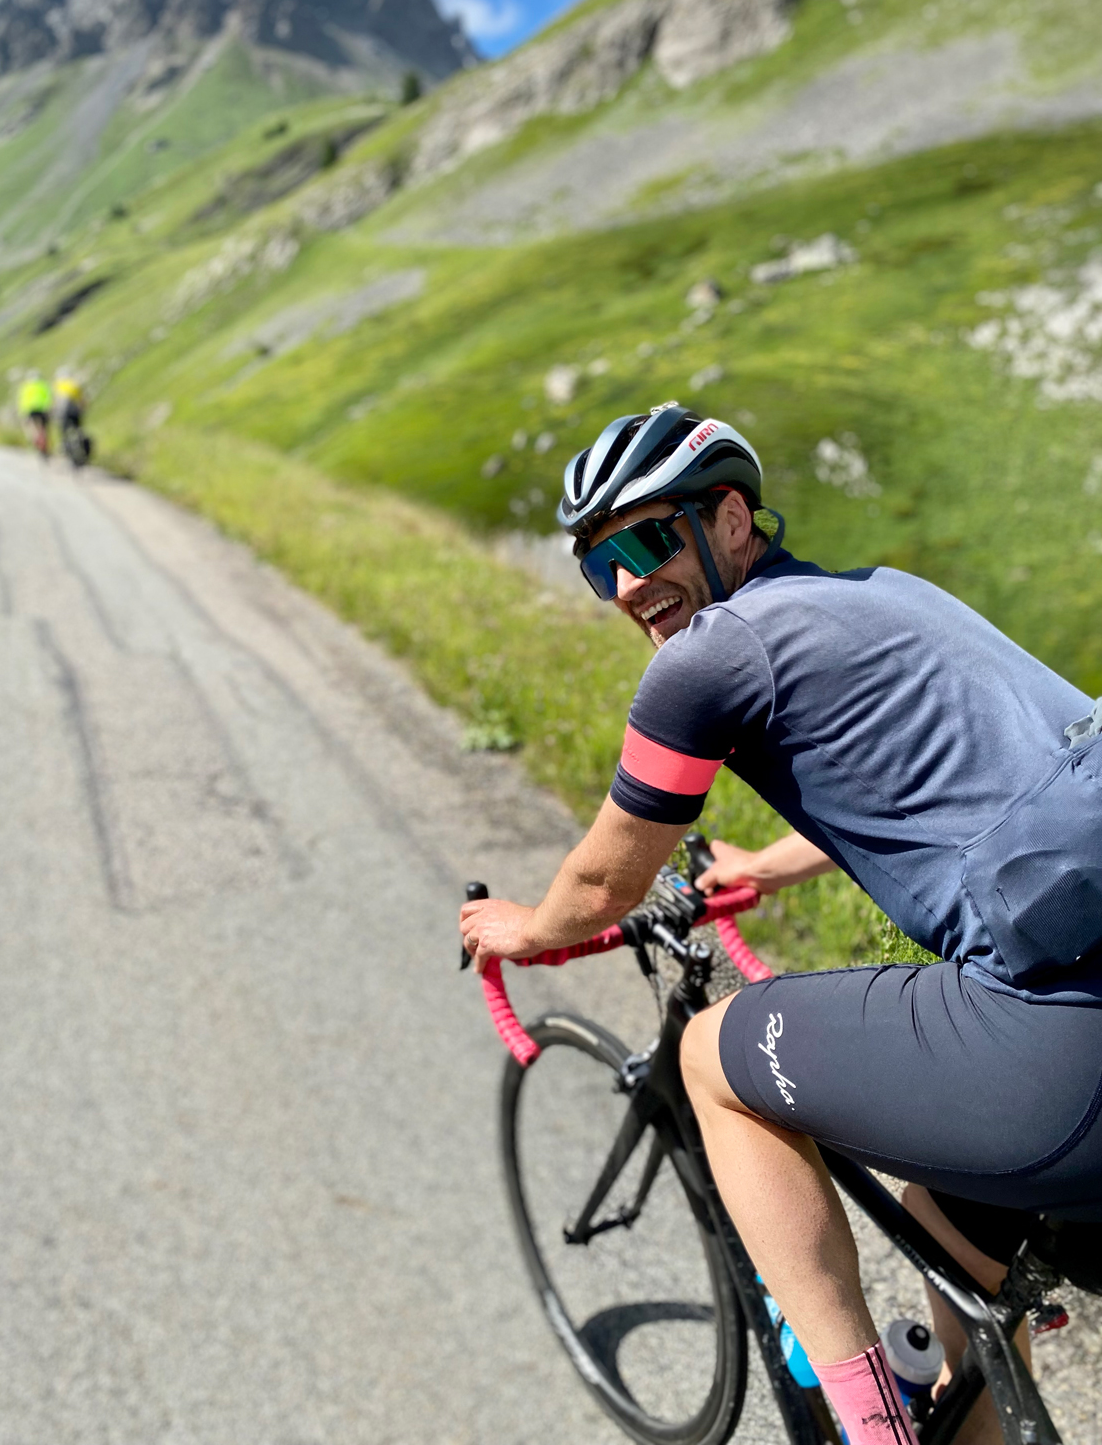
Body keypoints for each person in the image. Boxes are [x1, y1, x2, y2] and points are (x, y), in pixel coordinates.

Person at [460, 403, 1102, 1445]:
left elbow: (605, 881)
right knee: (948, 1232)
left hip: (1059, 1045)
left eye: (642, 540)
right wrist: (764, 863)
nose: (625, 585)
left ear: (726, 517)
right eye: (596, 565)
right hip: (1079, 988)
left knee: (716, 1059)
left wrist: (525, 930)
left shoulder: (710, 655)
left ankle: (867, 1429)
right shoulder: (888, 596)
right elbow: (970, 787)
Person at [52, 372, 90, 463]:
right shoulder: (75, 384)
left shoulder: (58, 384)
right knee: (78, 428)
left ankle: (64, 446)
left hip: (64, 412)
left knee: (63, 430)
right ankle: (80, 442)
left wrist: (54, 412)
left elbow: (56, 401)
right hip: (75, 411)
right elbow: (82, 400)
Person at [16, 372, 52, 457]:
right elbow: (49, 396)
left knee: (33, 428)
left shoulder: (26, 386)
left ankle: (36, 441)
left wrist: (22, 411)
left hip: (30, 410)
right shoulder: (43, 385)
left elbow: (22, 399)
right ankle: (44, 444)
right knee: (43, 428)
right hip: (43, 409)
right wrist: (48, 407)